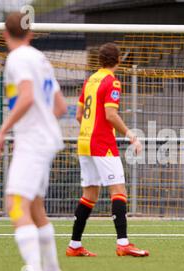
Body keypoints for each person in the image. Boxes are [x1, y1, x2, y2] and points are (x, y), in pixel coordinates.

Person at [0, 12, 67, 271]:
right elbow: (59, 107)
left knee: (15, 205)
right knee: (35, 207)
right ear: (31, 33)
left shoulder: (18, 58)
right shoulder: (41, 59)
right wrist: (40, 124)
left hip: (33, 141)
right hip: (46, 139)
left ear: (4, 33)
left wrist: (2, 131)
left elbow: (26, 97)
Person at [66, 42, 149, 257]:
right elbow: (110, 115)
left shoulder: (90, 81)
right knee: (118, 191)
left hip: (84, 143)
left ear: (99, 60)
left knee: (90, 194)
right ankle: (123, 243)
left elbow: (78, 115)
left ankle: (74, 245)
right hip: (102, 144)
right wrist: (131, 135)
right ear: (118, 61)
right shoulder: (112, 82)